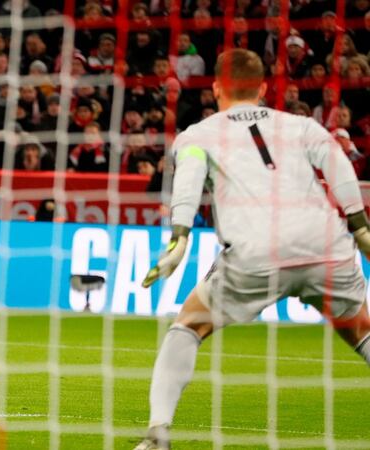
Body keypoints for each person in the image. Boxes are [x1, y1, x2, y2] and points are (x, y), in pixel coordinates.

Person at [135, 49, 370, 450]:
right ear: (263, 88)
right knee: (361, 331)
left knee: (188, 325)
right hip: (326, 244)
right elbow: (336, 161)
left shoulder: (197, 135)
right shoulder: (300, 125)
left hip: (257, 251)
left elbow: (189, 180)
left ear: (214, 89)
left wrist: (180, 238)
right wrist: (360, 226)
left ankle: (158, 435)